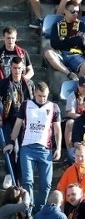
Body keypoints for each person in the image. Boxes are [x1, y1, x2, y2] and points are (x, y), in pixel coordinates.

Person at [3, 81, 61, 212]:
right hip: (27, 148)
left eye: (45, 96)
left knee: (46, 184)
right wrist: (12, 142)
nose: (42, 99)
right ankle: (28, 209)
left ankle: (39, 210)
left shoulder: (54, 107)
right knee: (27, 181)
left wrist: (58, 148)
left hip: (45, 150)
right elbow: (18, 125)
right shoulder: (26, 105)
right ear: (35, 93)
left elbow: (57, 130)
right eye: (40, 95)